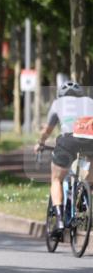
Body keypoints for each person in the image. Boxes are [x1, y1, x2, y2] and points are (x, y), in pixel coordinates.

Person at [34, 80, 93, 237]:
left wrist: (40, 143)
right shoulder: (90, 101)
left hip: (68, 141)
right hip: (90, 141)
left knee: (56, 179)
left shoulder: (58, 103)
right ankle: (83, 196)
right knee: (88, 176)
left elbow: (48, 129)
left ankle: (60, 221)